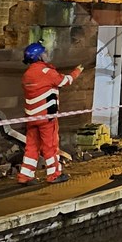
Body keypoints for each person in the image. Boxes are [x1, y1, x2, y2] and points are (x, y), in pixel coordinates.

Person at [18, 43, 83, 184]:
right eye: (44, 53)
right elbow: (65, 81)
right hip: (46, 117)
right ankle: (54, 174)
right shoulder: (47, 73)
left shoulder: (27, 75)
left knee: (31, 146)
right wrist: (77, 71)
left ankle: (25, 175)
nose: (47, 55)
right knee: (50, 146)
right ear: (39, 56)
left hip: (31, 118)